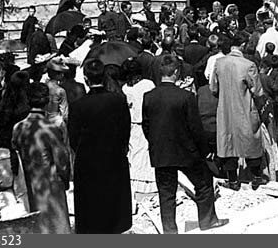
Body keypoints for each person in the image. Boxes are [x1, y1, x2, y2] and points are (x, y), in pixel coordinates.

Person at [142, 54, 228, 233]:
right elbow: (195, 128)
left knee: (166, 194)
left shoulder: (149, 96)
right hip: (186, 151)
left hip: (161, 152)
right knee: (204, 184)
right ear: (175, 72)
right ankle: (207, 220)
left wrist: (155, 143)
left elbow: (146, 126)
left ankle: (170, 231)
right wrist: (205, 151)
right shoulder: (186, 97)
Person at [69, 59, 132, 234]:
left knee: (92, 208)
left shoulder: (78, 106)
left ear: (86, 79)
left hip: (88, 161)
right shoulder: (118, 100)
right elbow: (125, 129)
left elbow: (73, 138)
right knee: (113, 204)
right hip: (114, 158)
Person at [11, 82, 71, 233]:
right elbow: (62, 160)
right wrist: (65, 179)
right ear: (47, 101)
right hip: (51, 183)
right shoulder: (50, 128)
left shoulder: (18, 127)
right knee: (58, 228)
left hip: (30, 182)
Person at [210, 33, 268, 190]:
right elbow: (257, 91)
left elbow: (213, 88)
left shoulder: (219, 63)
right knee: (251, 143)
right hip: (244, 109)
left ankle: (233, 180)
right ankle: (256, 176)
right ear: (242, 45)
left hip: (225, 111)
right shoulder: (248, 65)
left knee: (228, 145)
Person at [120, 59, 156, 202]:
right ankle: (148, 185)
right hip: (146, 122)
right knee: (145, 153)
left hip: (133, 124)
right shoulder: (148, 85)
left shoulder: (125, 88)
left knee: (135, 153)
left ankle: (136, 183)